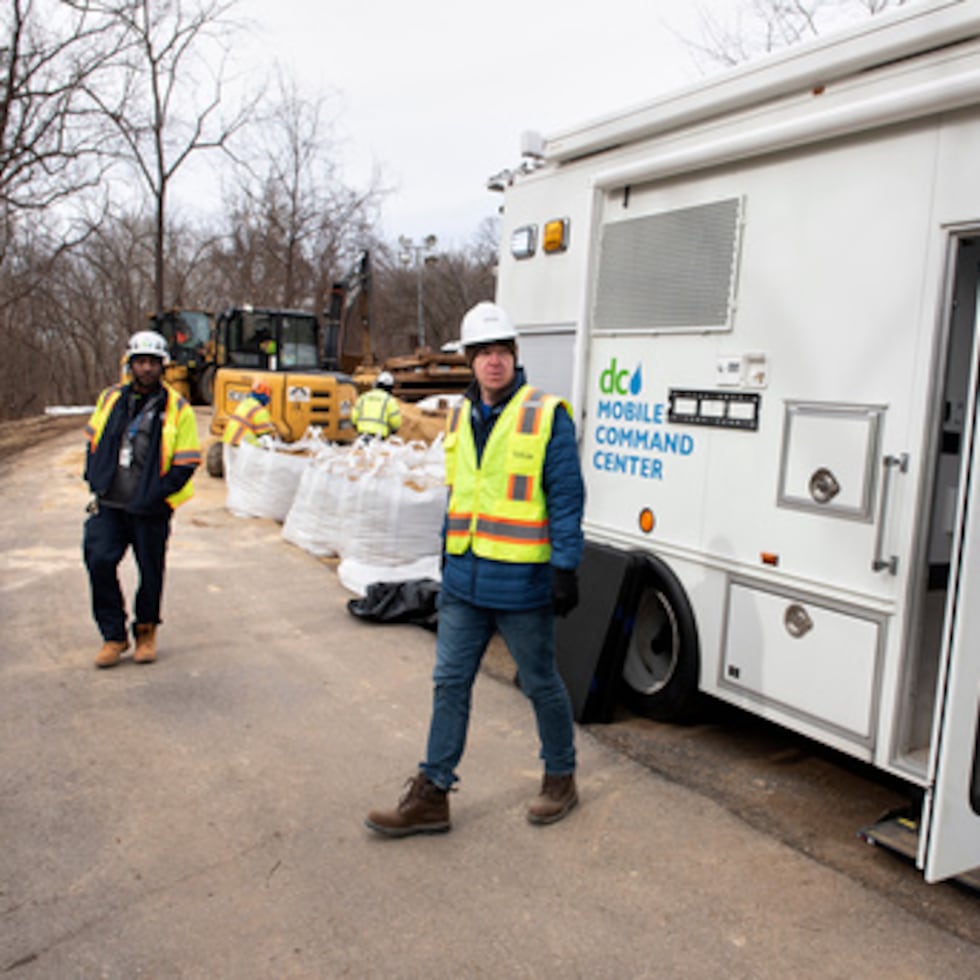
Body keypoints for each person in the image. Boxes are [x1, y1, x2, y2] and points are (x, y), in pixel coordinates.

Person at [365, 301, 584, 836]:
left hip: (522, 582)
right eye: (483, 352)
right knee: (449, 682)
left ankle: (561, 777)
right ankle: (433, 792)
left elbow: (566, 498)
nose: (493, 361)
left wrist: (565, 566)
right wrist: (446, 552)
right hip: (464, 579)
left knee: (539, 683)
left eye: (502, 351)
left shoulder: (545, 413)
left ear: (514, 357)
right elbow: (461, 491)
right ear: (469, 360)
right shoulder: (461, 414)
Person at [83, 330, 201, 668]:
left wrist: (157, 497)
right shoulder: (110, 399)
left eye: (152, 363)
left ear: (162, 366)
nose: (146, 368)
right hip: (110, 503)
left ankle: (146, 631)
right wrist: (95, 478)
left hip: (149, 508)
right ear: (130, 364)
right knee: (99, 560)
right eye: (140, 362)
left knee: (150, 572)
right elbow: (92, 441)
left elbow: (186, 461)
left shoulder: (178, 409)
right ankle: (113, 636)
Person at [222, 379, 278, 447]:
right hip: (244, 445)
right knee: (266, 443)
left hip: (228, 442)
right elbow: (264, 434)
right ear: (264, 395)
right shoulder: (260, 411)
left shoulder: (244, 403)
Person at [351, 371, 402, 439]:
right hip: (379, 436)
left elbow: (353, 418)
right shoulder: (389, 400)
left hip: (362, 435)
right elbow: (395, 423)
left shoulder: (363, 397)